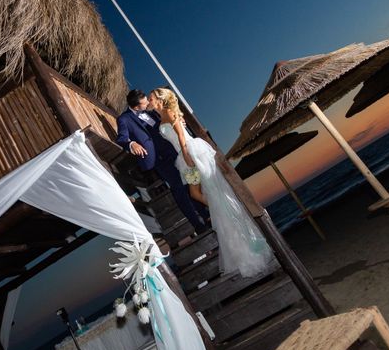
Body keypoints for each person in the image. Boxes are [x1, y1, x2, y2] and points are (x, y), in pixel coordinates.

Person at [148, 87, 275, 278]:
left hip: (191, 153)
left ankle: (226, 211)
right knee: (197, 194)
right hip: (185, 157)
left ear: (159, 99)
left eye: (150, 98)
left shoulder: (168, 112)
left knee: (206, 191)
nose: (148, 101)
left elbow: (181, 135)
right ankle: (222, 208)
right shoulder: (162, 116)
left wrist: (186, 154)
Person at [116, 89, 209, 233]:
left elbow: (167, 119)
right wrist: (131, 144)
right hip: (159, 161)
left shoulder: (151, 110)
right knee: (179, 189)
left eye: (147, 99)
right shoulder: (124, 119)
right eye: (144, 102)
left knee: (191, 184)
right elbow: (122, 138)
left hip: (175, 152)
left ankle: (206, 215)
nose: (148, 102)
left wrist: (178, 119)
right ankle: (198, 224)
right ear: (135, 107)